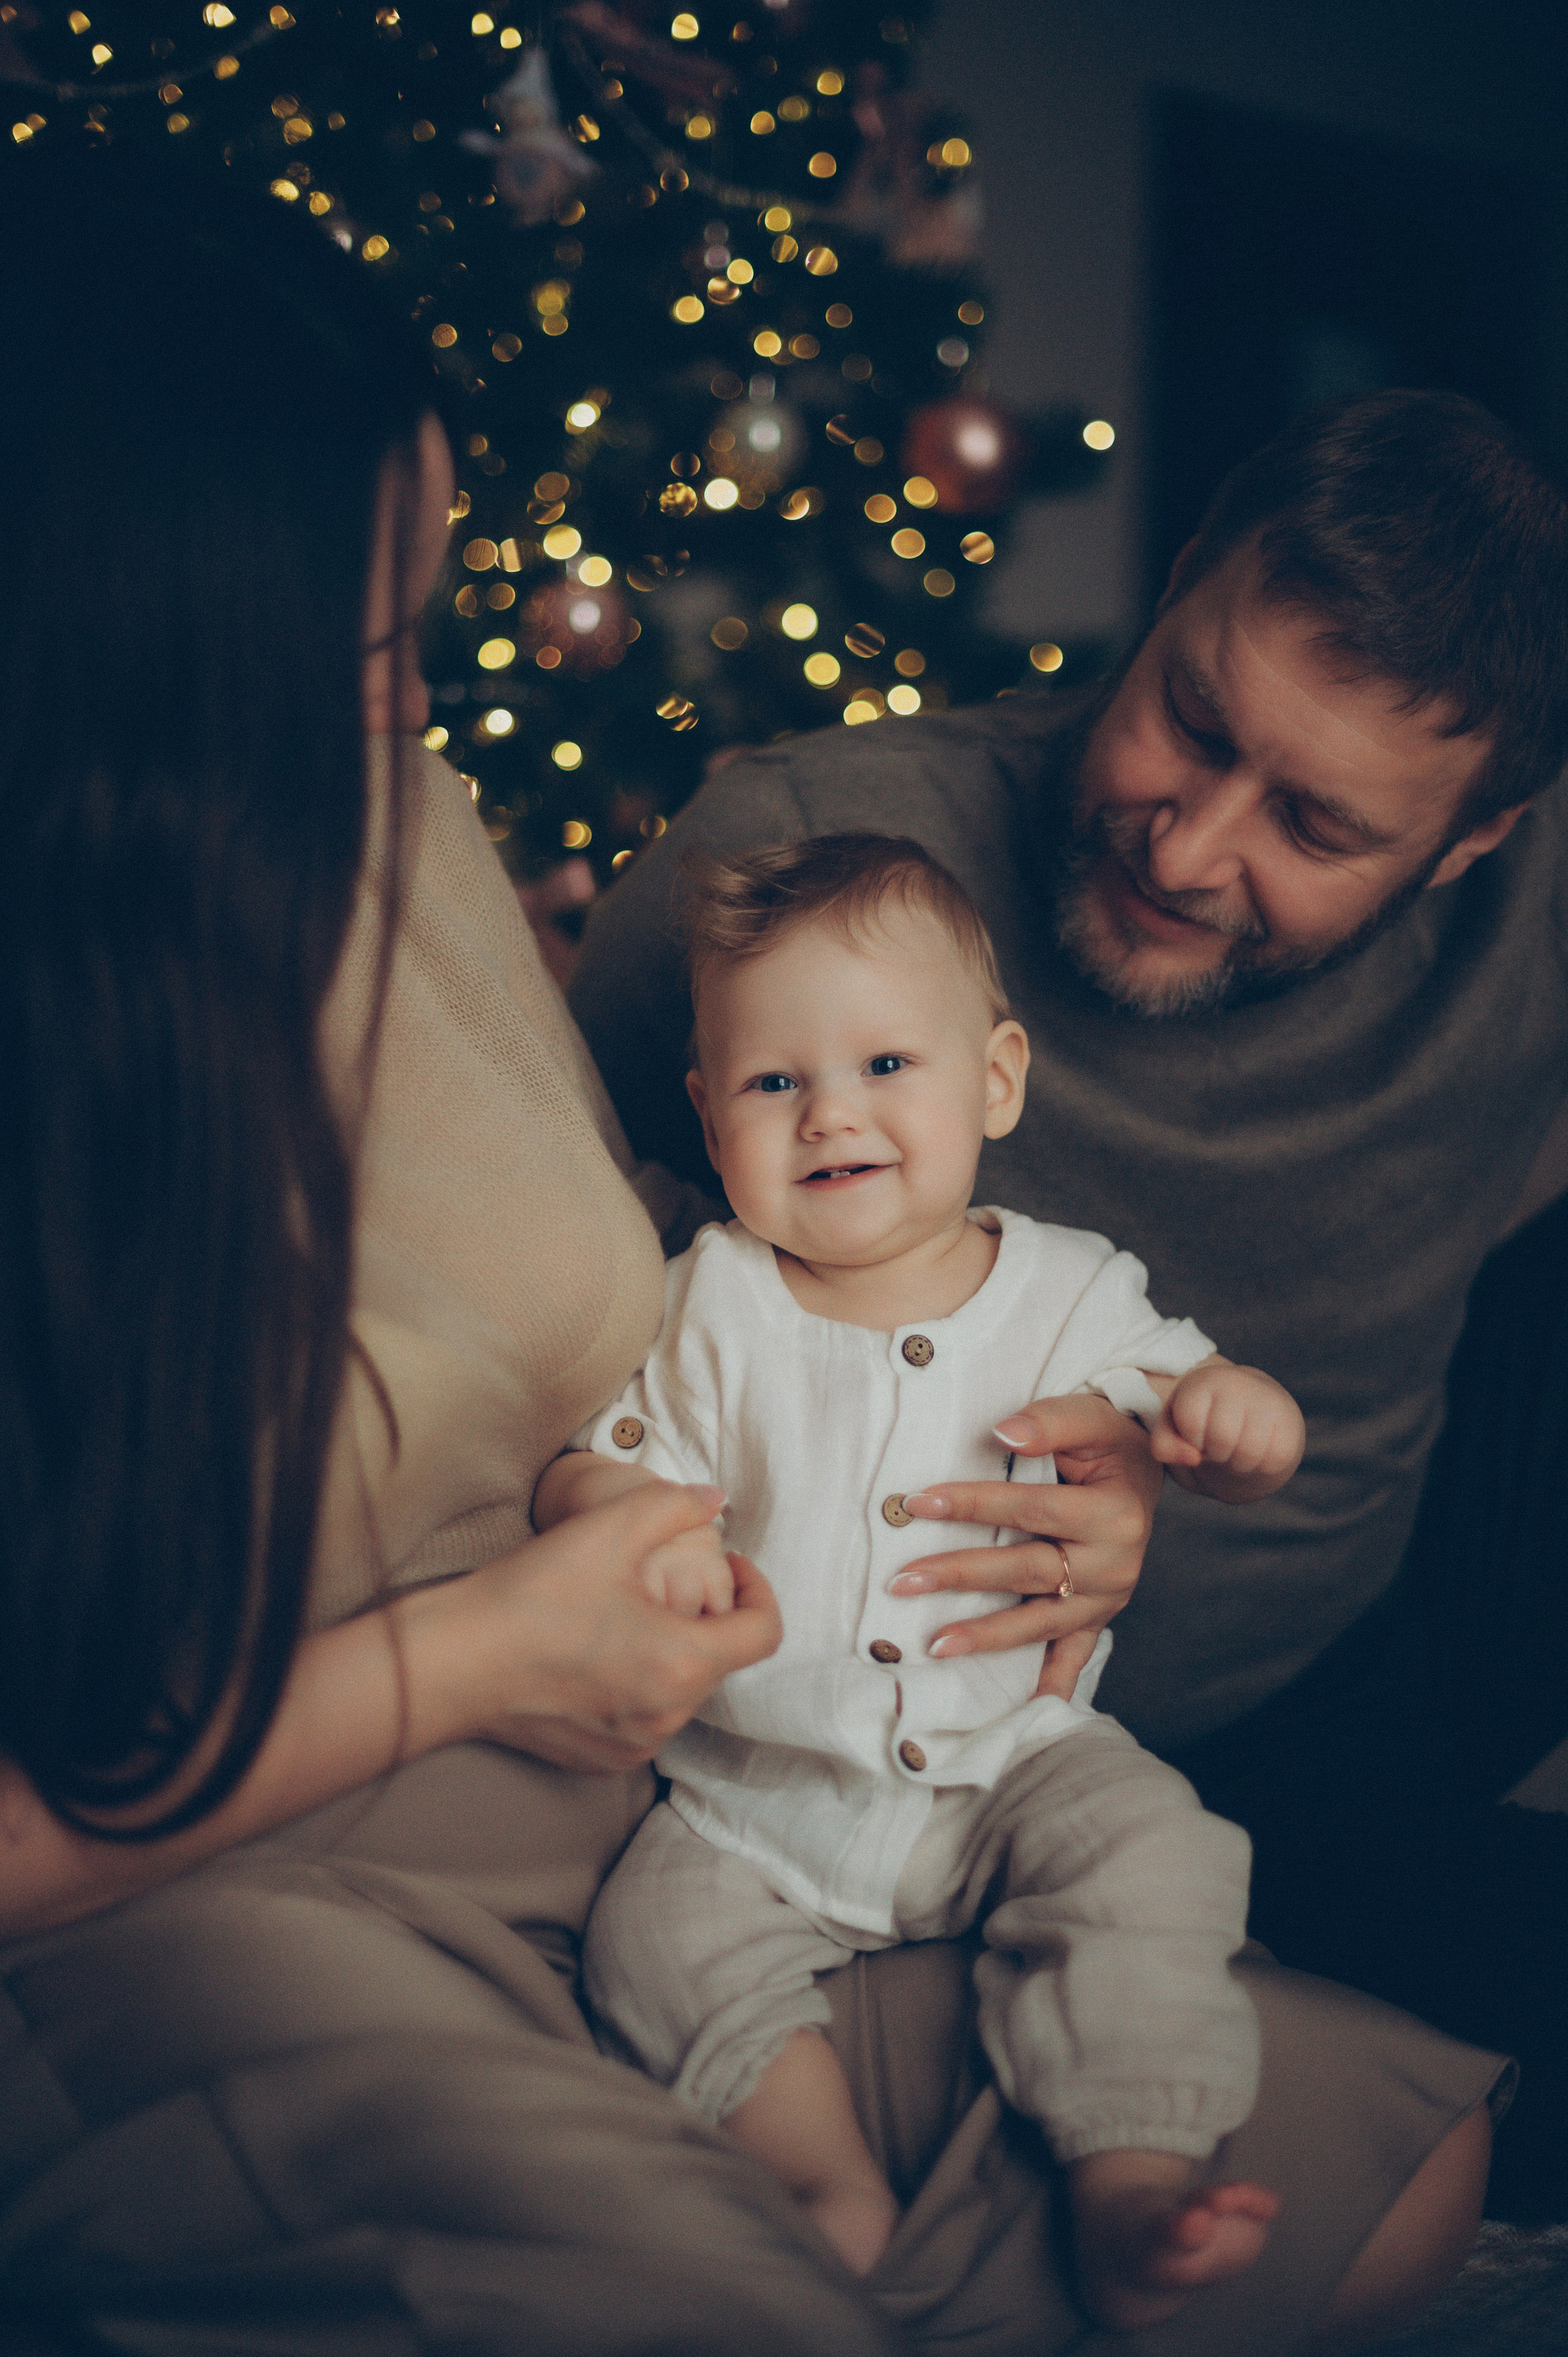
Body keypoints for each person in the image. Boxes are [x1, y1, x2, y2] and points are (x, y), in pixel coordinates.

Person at [0, 148, 1507, 2357]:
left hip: (644, 1837)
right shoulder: (767, 845)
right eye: (361, 647)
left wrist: (1053, 1493)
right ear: (134, 667)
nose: (409, 718)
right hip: (251, 1888)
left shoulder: (379, 817)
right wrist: (492, 1650)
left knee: (1371, 2142)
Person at [567, 386, 1568, 2219]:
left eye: (1316, 829)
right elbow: (558, 1284)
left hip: (1339, 1674)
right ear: (1179, 582)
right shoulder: (806, 863)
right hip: (848, 1742)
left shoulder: (1536, 920)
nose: (1189, 852)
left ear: (1477, 844)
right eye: (1192, 720)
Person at [543, 832, 1305, 2325]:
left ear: (996, 1080)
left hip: (1005, 1761)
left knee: (1157, 1847)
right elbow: (607, 1453)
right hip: (749, 1793)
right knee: (648, 1944)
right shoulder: (712, 1303)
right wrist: (621, 1513)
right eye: (773, 1084)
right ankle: (818, 2177)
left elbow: (1198, 1398)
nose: (831, 1110)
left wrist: (1240, 1424)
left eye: (887, 1061)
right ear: (711, 1117)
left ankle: (1131, 2162)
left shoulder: (1072, 1287)